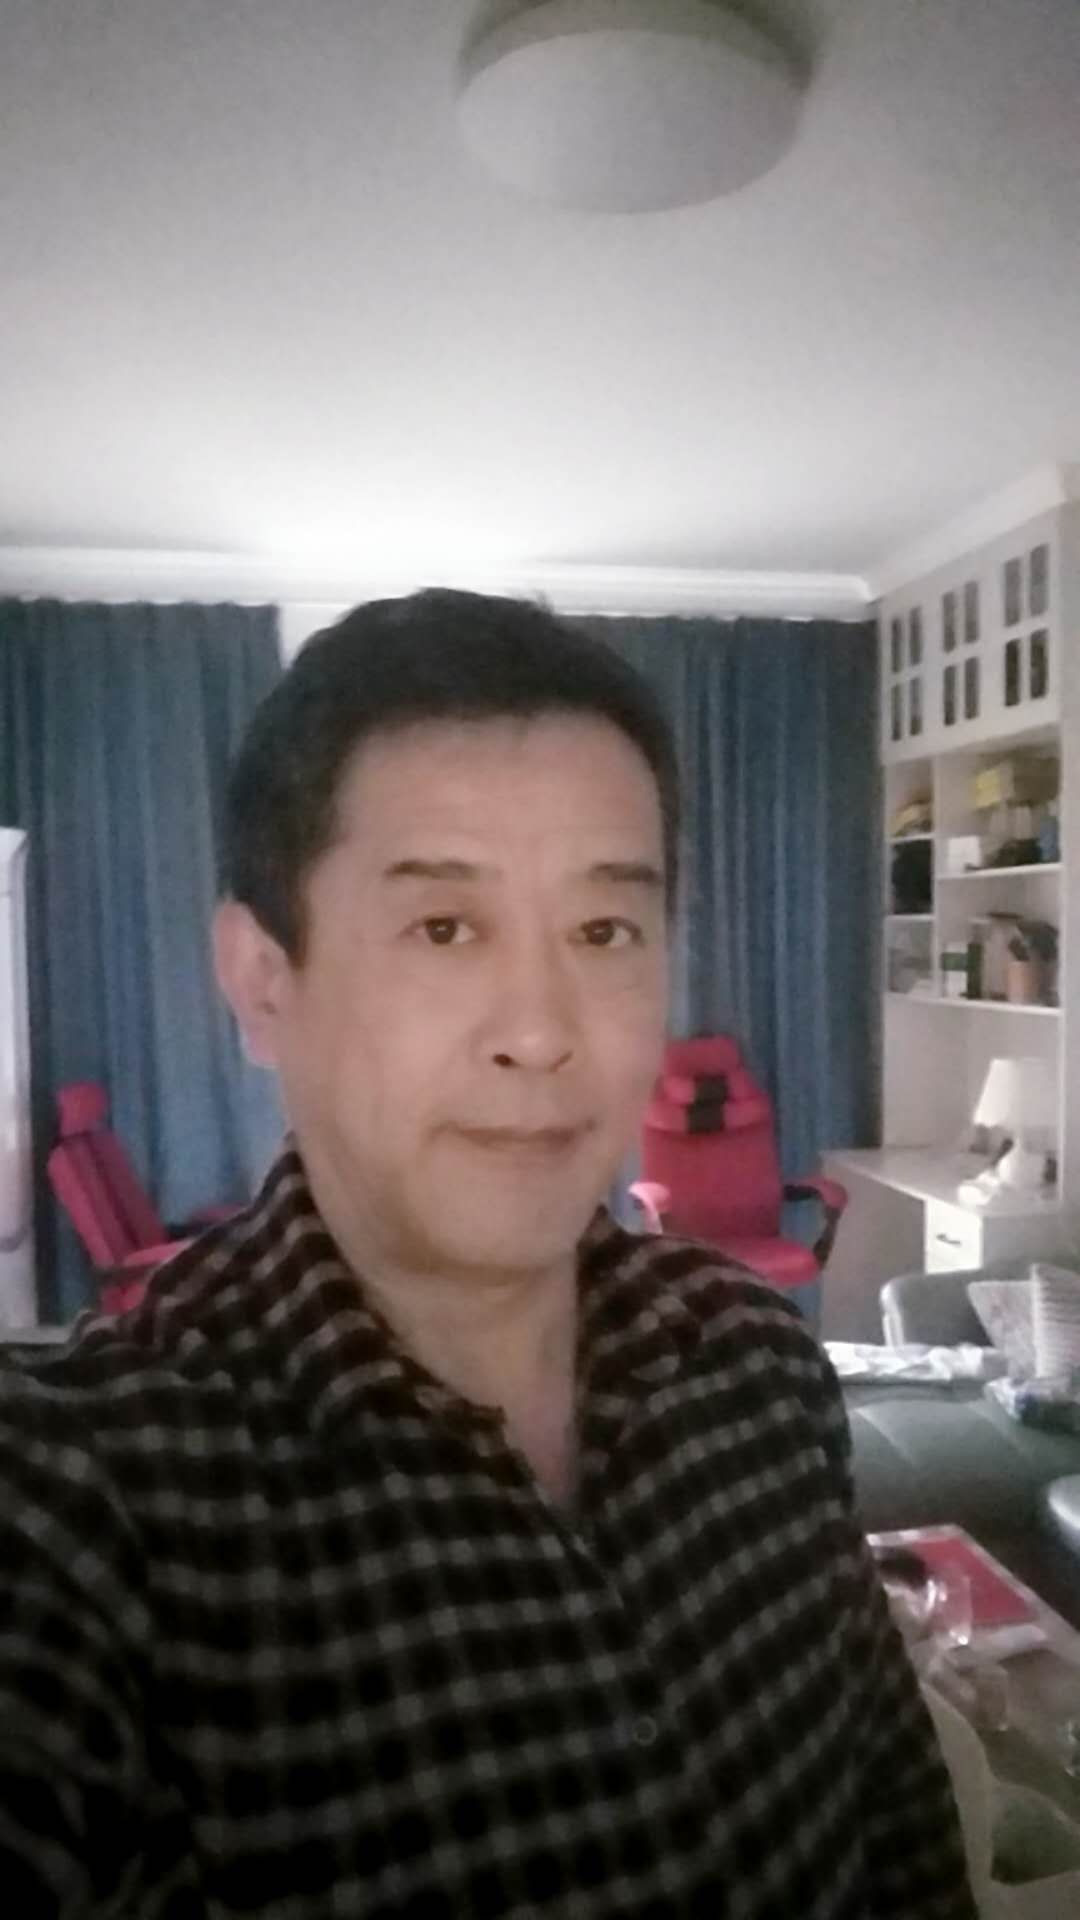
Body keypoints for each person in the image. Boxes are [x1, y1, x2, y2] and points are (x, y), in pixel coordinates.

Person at [0, 589, 974, 1917]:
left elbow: (903, 1850)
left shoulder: (757, 1365)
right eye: (445, 928)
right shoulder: (86, 1518)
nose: (542, 1031)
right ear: (263, 983)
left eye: (603, 931)